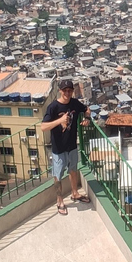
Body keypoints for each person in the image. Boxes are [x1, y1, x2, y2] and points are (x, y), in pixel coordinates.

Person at [41, 79, 91, 215]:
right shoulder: (53, 107)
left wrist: (87, 119)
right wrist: (60, 121)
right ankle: (59, 200)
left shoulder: (74, 103)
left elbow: (87, 109)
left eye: (70, 91)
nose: (67, 93)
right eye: (65, 91)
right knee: (58, 175)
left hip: (72, 146)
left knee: (73, 170)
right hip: (58, 148)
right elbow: (43, 127)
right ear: (60, 91)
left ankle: (75, 193)